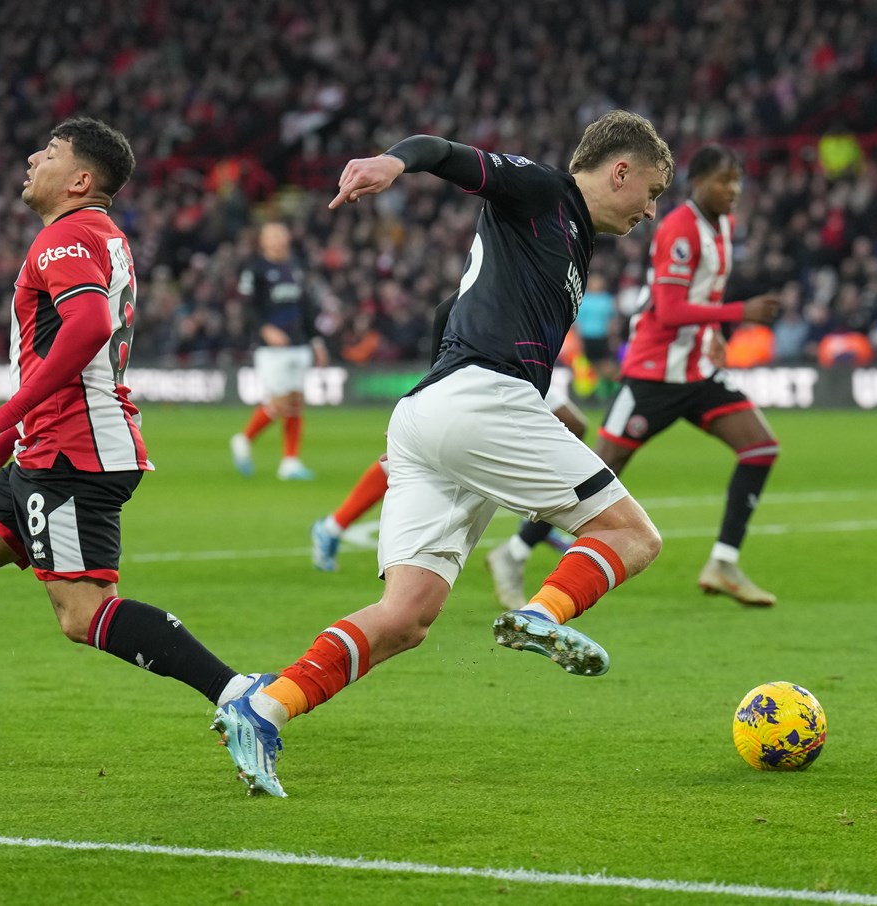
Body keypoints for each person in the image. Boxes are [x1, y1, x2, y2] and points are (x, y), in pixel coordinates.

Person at [213, 110, 674, 796]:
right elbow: (448, 154)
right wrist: (394, 162)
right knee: (632, 535)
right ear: (621, 170)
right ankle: (539, 614)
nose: (651, 210)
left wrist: (448, 396)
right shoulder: (547, 192)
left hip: (434, 413)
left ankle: (263, 706)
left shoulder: (570, 241)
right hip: (482, 402)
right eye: (654, 192)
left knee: (404, 618)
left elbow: (447, 314)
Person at [0, 118, 263, 772]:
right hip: (51, 446)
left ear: (81, 180)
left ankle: (240, 695)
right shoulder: (96, 236)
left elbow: (88, 326)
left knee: (82, 612)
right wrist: (9, 437)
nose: (34, 157)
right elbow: (59, 354)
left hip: (73, 455)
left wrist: (3, 416)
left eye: (51, 152)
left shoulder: (66, 237)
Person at [594, 144, 782, 606]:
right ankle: (517, 550)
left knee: (760, 448)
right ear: (697, 182)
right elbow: (672, 307)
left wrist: (715, 329)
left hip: (696, 372)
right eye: (723, 180)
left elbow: (701, 293)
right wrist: (742, 312)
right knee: (594, 473)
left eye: (736, 180)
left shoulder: (721, 226)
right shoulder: (679, 227)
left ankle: (723, 562)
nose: (732, 189)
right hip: (654, 374)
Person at [311, 295, 583, 584]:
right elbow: (446, 309)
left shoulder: (558, 266)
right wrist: (430, 391)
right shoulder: (514, 261)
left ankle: (536, 520)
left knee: (570, 425)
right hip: (489, 367)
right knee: (428, 455)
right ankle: (333, 526)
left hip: (524, 367)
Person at [229, 221, 329, 480]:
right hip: (271, 349)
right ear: (262, 241)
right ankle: (244, 439)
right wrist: (265, 330)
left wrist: (316, 341)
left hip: (298, 343)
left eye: (280, 234)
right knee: (280, 400)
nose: (277, 240)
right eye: (271, 235)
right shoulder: (255, 269)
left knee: (296, 401)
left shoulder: (296, 266)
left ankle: (290, 462)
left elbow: (307, 308)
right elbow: (247, 307)